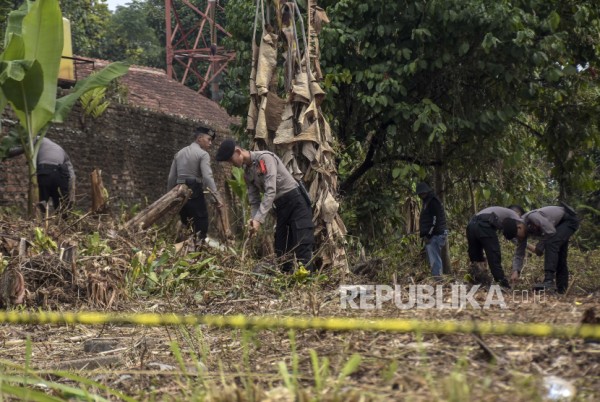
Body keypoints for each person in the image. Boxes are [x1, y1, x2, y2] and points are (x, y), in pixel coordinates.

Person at [215, 138, 315, 272]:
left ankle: (307, 281)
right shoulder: (247, 173)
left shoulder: (265, 159)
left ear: (238, 152)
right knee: (281, 248)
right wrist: (253, 221)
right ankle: (287, 280)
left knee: (302, 243)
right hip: (281, 207)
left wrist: (258, 220)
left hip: (296, 202)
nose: (231, 164)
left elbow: (270, 191)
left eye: (230, 160)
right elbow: (254, 201)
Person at [167, 126, 223, 243]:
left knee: (186, 222)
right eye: (209, 139)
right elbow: (208, 177)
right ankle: (198, 250)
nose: (210, 143)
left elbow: (171, 177)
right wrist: (216, 197)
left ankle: (185, 249)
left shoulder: (179, 153)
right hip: (194, 189)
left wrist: (170, 198)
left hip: (179, 189)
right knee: (201, 221)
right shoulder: (203, 154)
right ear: (199, 138)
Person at [6, 137, 75, 214]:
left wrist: (4, 153)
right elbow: (71, 175)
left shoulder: (38, 139)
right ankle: (63, 223)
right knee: (62, 207)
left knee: (41, 205)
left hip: (45, 172)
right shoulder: (60, 149)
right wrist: (71, 194)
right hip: (61, 176)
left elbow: (20, 149)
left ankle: (40, 223)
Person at [522, 205, 579, 293]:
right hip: (559, 224)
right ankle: (561, 290)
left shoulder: (532, 217)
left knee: (551, 243)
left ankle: (548, 280)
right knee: (559, 255)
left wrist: (540, 245)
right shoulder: (524, 227)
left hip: (568, 220)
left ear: (519, 226)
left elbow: (550, 231)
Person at [466, 206, 528, 288]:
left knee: (476, 257)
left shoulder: (503, 217)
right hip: (484, 224)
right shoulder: (517, 218)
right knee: (494, 256)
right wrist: (523, 242)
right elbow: (518, 233)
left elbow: (511, 235)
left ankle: (478, 282)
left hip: (471, 225)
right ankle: (503, 284)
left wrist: (527, 246)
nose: (518, 238)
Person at [416, 182, 448, 280]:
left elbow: (435, 220)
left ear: (425, 192)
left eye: (421, 194)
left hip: (436, 235)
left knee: (435, 259)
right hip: (433, 234)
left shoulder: (433, 201)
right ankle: (437, 279)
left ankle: (438, 280)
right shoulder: (427, 201)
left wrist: (429, 235)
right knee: (433, 258)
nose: (420, 196)